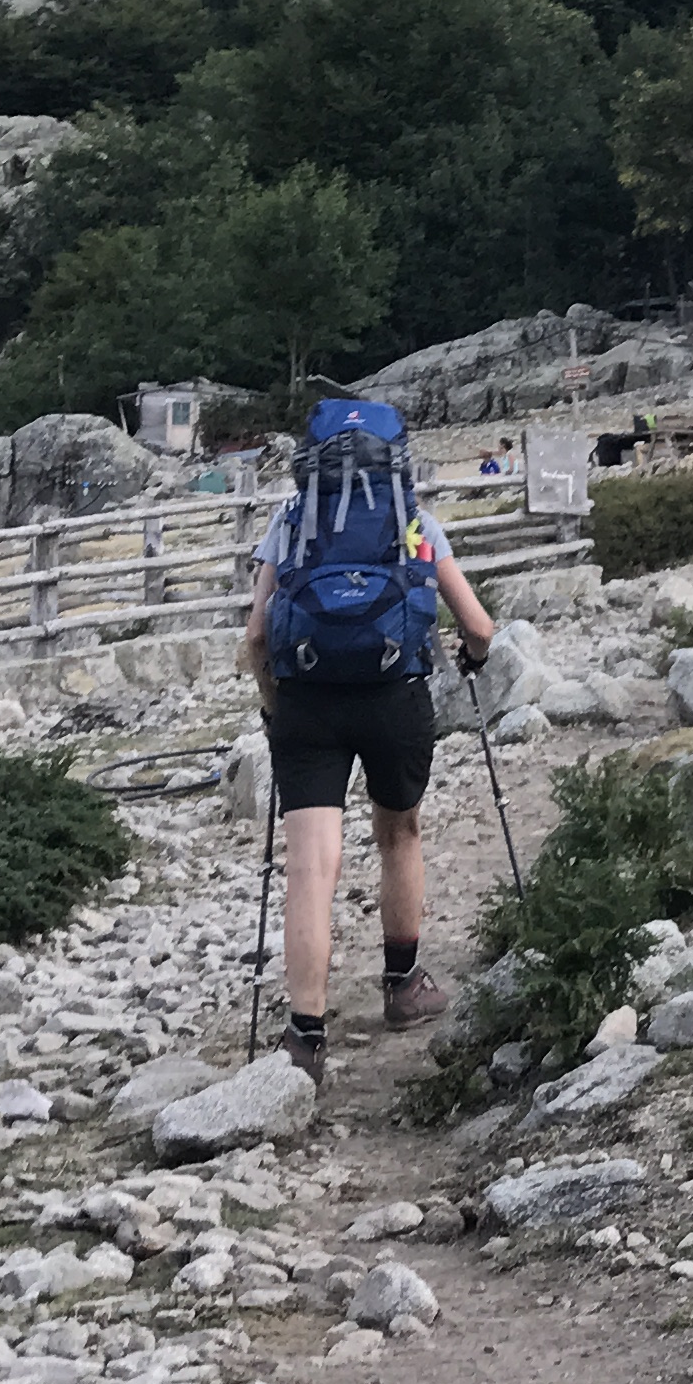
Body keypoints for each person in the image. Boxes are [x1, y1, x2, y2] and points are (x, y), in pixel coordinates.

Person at [239, 398, 497, 1086]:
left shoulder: (290, 523)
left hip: (307, 704)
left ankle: (305, 1039)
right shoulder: (415, 523)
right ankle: (403, 986)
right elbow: (479, 627)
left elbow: (258, 636)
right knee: (400, 834)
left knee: (310, 866)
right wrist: (471, 660)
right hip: (395, 696)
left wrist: (273, 705)